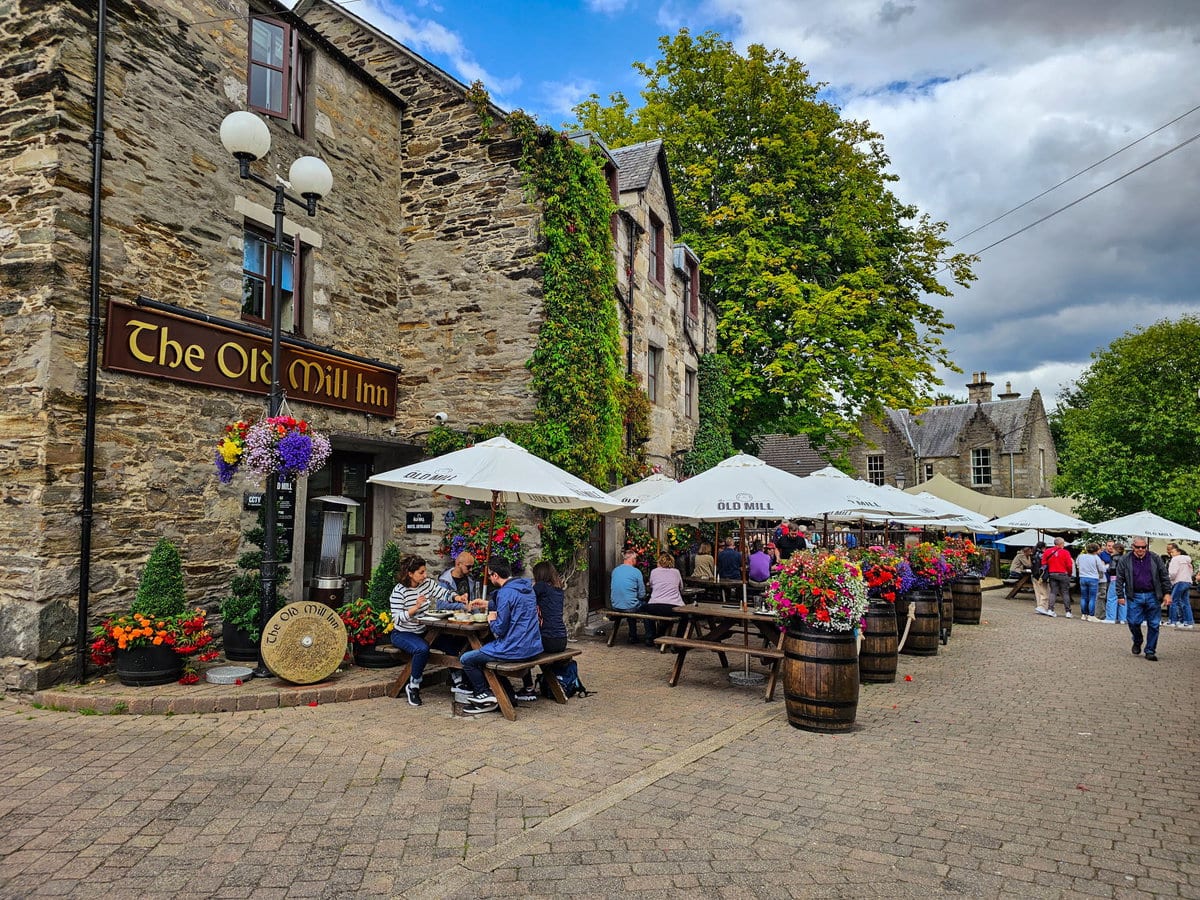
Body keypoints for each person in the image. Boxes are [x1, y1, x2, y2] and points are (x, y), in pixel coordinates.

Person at [389, 554, 478, 707]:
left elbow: (442, 593)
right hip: (402, 633)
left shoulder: (427, 584)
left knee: (453, 645)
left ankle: (458, 681)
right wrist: (415, 608)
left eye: (425, 571)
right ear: (410, 574)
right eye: (421, 572)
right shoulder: (399, 591)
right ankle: (413, 686)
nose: (425, 575)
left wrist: (458, 598)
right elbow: (396, 619)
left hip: (424, 629)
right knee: (422, 649)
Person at [459, 559, 543, 713]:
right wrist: (488, 604)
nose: (490, 579)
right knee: (486, 655)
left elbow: (500, 630)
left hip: (514, 648)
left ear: (496, 575)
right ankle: (508, 696)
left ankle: (484, 695)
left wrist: (491, 620)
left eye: (490, 576)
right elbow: (515, 604)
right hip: (532, 646)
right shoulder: (527, 587)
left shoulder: (505, 592)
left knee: (467, 659)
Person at [516, 560, 569, 701]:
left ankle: (528, 688)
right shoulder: (558, 590)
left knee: (522, 647)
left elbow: (524, 596)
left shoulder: (541, 587)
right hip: (562, 639)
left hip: (548, 640)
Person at [1115, 536, 1171, 661]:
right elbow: (1120, 578)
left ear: (1146, 547)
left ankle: (1150, 650)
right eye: (1138, 547)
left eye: (1143, 547)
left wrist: (1167, 593)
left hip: (1153, 595)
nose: (1141, 549)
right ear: (1133, 547)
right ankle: (1138, 639)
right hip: (1134, 595)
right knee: (1133, 621)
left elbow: (1164, 576)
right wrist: (1120, 595)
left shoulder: (1154, 558)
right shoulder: (1125, 559)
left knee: (1154, 624)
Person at [644, 552, 685, 645]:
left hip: (654, 605)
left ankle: (650, 637)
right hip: (673, 606)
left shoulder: (654, 571)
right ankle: (679, 640)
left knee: (646, 611)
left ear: (659, 562)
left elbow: (650, 585)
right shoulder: (676, 572)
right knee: (686, 616)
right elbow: (681, 587)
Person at [609, 550, 648, 643]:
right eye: (636, 559)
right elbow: (642, 594)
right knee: (647, 609)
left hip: (615, 605)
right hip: (630, 606)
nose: (636, 561)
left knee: (631, 602)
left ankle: (633, 635)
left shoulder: (615, 570)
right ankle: (650, 637)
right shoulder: (636, 572)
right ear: (633, 559)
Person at [1040, 537, 1074, 618]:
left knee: (1053, 592)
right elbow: (1069, 565)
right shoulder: (1065, 552)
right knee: (1065, 592)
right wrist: (1069, 573)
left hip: (1052, 573)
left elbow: (1043, 563)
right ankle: (1068, 612)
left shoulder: (1047, 551)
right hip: (1063, 574)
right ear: (1061, 544)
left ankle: (1050, 610)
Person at [1165, 542, 1195, 630]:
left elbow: (1173, 573)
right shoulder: (1187, 560)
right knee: (1186, 602)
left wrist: (1169, 579)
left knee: (1173, 601)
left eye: (1173, 552)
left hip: (1179, 581)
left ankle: (1172, 621)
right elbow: (1191, 572)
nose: (1171, 553)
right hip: (1187, 581)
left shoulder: (1175, 559)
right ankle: (1189, 622)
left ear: (1178, 552)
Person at [1075, 542, 1106, 622]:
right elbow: (1102, 569)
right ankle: (1091, 615)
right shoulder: (1096, 558)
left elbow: (1077, 565)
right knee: (1092, 598)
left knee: (1084, 597)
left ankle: (1083, 614)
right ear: (1096, 550)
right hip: (1093, 578)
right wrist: (1105, 566)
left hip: (1082, 577)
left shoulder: (1080, 556)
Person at [1030, 541, 1051, 614]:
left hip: (1034, 575)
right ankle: (1043, 607)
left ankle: (1039, 606)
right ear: (1043, 547)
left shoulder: (1033, 554)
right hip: (1041, 576)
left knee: (1038, 593)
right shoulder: (1043, 555)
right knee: (1045, 593)